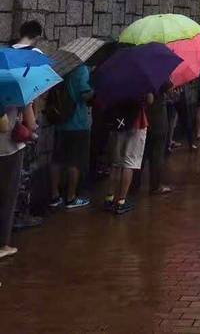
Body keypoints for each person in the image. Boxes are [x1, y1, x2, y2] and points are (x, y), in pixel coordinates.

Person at [11, 20, 44, 231]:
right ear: (37, 35)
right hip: (25, 120)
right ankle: (21, 215)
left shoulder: (7, 52)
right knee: (24, 173)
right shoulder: (36, 56)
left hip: (7, 118)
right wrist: (32, 123)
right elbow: (35, 92)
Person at [49, 63, 94, 210]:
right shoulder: (81, 70)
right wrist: (95, 88)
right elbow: (85, 94)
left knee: (57, 159)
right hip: (77, 122)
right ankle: (71, 197)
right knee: (75, 161)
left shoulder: (62, 68)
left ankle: (54, 195)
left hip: (60, 121)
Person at [103, 94, 153, 214]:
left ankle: (109, 198)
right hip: (136, 122)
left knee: (116, 163)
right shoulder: (141, 79)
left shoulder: (115, 80)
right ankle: (121, 201)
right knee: (129, 163)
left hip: (119, 122)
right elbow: (150, 100)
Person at [0, 102, 36, 258]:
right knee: (7, 198)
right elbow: (32, 123)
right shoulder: (18, 89)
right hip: (9, 149)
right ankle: (2, 244)